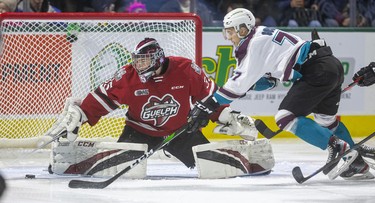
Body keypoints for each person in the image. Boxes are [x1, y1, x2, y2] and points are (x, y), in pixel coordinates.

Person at [188, 7, 375, 180]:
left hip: (316, 71)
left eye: (230, 32)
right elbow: (268, 82)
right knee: (326, 121)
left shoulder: (254, 44)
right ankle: (356, 158)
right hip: (329, 66)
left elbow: (236, 86)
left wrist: (208, 104)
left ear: (242, 29)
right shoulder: (261, 35)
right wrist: (247, 86)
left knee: (285, 118)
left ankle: (339, 147)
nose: (228, 37)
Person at [41, 38, 266, 177]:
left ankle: (253, 160)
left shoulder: (185, 69)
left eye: (144, 61)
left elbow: (209, 96)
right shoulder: (128, 76)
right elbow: (103, 98)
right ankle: (69, 162)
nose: (138, 65)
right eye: (136, 60)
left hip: (180, 131)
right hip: (139, 131)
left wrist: (224, 115)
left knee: (212, 166)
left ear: (157, 58)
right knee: (119, 169)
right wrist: (80, 114)